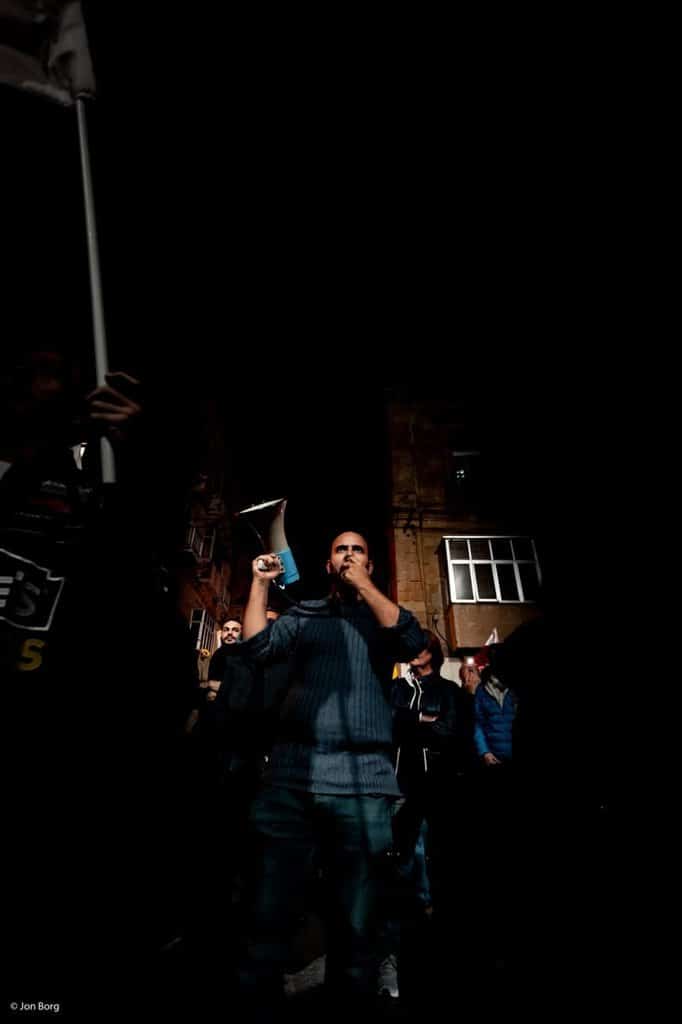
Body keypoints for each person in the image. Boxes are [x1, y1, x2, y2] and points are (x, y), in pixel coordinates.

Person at [238, 531, 425, 1013]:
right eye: (341, 549)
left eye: (358, 550)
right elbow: (257, 648)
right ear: (327, 564)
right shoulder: (307, 614)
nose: (348, 555)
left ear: (370, 565)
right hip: (292, 777)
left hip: (362, 783)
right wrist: (259, 584)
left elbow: (412, 641)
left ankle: (350, 1007)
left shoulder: (381, 616)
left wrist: (364, 587)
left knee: (357, 920)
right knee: (268, 910)